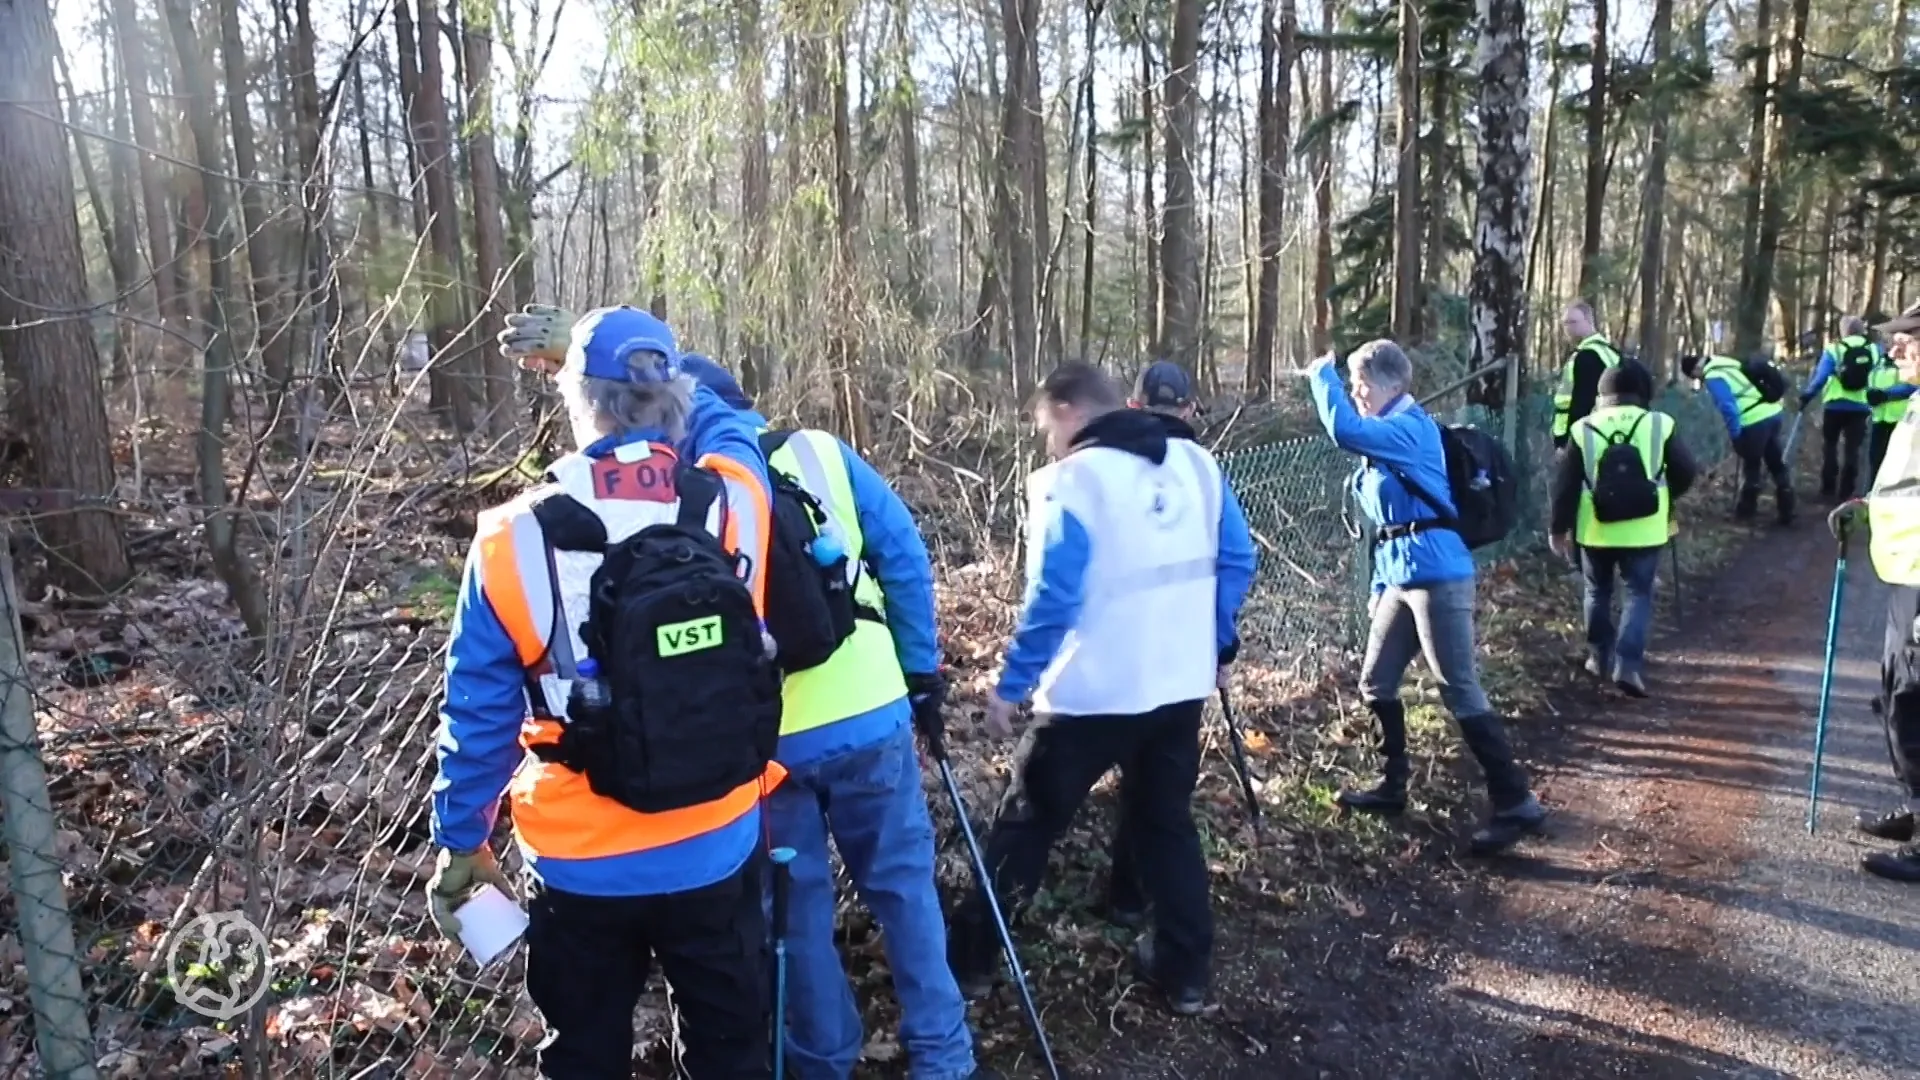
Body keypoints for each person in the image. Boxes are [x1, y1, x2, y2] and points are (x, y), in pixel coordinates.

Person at [428, 307, 783, 1079]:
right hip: (715, 834)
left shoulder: (510, 537)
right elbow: (730, 425)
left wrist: (462, 840)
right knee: (731, 1049)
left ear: (575, 400)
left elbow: (479, 716)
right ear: (677, 398)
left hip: (579, 858)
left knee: (584, 1054)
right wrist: (667, 372)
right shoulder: (734, 503)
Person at [676, 354, 994, 1080]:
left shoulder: (693, 490)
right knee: (905, 891)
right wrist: (921, 675)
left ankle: (822, 1059)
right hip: (869, 711)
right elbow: (904, 556)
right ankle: (944, 1056)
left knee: (794, 914)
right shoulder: (819, 453)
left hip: (765, 745)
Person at [946, 363, 1256, 1016]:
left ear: (1067, 411)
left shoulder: (1072, 481)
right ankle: (1185, 973)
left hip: (1091, 693)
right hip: (1178, 685)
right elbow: (1237, 557)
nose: (1048, 442)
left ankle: (971, 963)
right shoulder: (1198, 465)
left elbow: (1053, 597)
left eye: (1046, 427)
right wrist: (1216, 640)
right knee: (1166, 824)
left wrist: (1012, 686)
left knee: (1027, 824)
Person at [1310, 342, 1547, 854]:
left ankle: (1515, 800)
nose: (1355, 394)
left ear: (1393, 384)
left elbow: (1343, 430)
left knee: (1458, 686)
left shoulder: (1409, 429)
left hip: (1439, 574)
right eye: (1351, 385)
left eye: (1361, 384)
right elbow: (1389, 525)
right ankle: (1391, 786)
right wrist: (1378, 587)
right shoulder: (1386, 437)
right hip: (1398, 576)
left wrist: (1320, 376)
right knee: (1376, 682)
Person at [1828, 299, 1920, 884]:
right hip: (1906, 574)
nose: (1894, 347)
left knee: (1914, 702)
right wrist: (1867, 507)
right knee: (1897, 696)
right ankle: (1914, 807)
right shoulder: (1916, 402)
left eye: (1908, 339)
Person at [1550, 360, 1700, 698]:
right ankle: (1628, 666)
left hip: (1595, 530)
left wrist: (1558, 529)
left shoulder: (1583, 428)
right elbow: (1686, 471)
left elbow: (1565, 485)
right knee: (1638, 593)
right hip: (1646, 530)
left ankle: (1598, 657)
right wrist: (1665, 495)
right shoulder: (1660, 423)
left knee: (1596, 591)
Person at [1680, 352, 1793, 525]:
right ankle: (1787, 508)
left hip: (1753, 420)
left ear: (1695, 369)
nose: (1698, 380)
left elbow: (1728, 407)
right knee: (1775, 462)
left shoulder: (1713, 376)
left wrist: (1736, 435)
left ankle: (1746, 513)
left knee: (1752, 466)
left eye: (1694, 376)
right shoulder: (1726, 363)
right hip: (1772, 412)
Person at [1801, 315, 1883, 500]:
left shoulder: (1834, 349)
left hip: (1834, 404)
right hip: (1861, 406)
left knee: (1830, 446)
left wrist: (1807, 395)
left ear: (1843, 330)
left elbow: (1821, 378)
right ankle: (1847, 491)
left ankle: (1828, 488)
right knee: (1853, 450)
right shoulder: (1874, 349)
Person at [1551, 301, 1624, 449]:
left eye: (1573, 322)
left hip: (1587, 437)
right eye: (1565, 323)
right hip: (1612, 432)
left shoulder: (1587, 356)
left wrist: (1569, 442)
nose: (1568, 328)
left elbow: (1582, 402)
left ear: (1589, 321)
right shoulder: (1610, 352)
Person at [1868, 331, 1915, 478]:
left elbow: (1913, 388)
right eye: (1892, 344)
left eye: (1899, 345)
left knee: (1896, 467)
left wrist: (1886, 395)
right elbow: (1872, 380)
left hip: (1902, 422)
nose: (1894, 348)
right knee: (1875, 463)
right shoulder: (1881, 362)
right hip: (1879, 419)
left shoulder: (1912, 364)